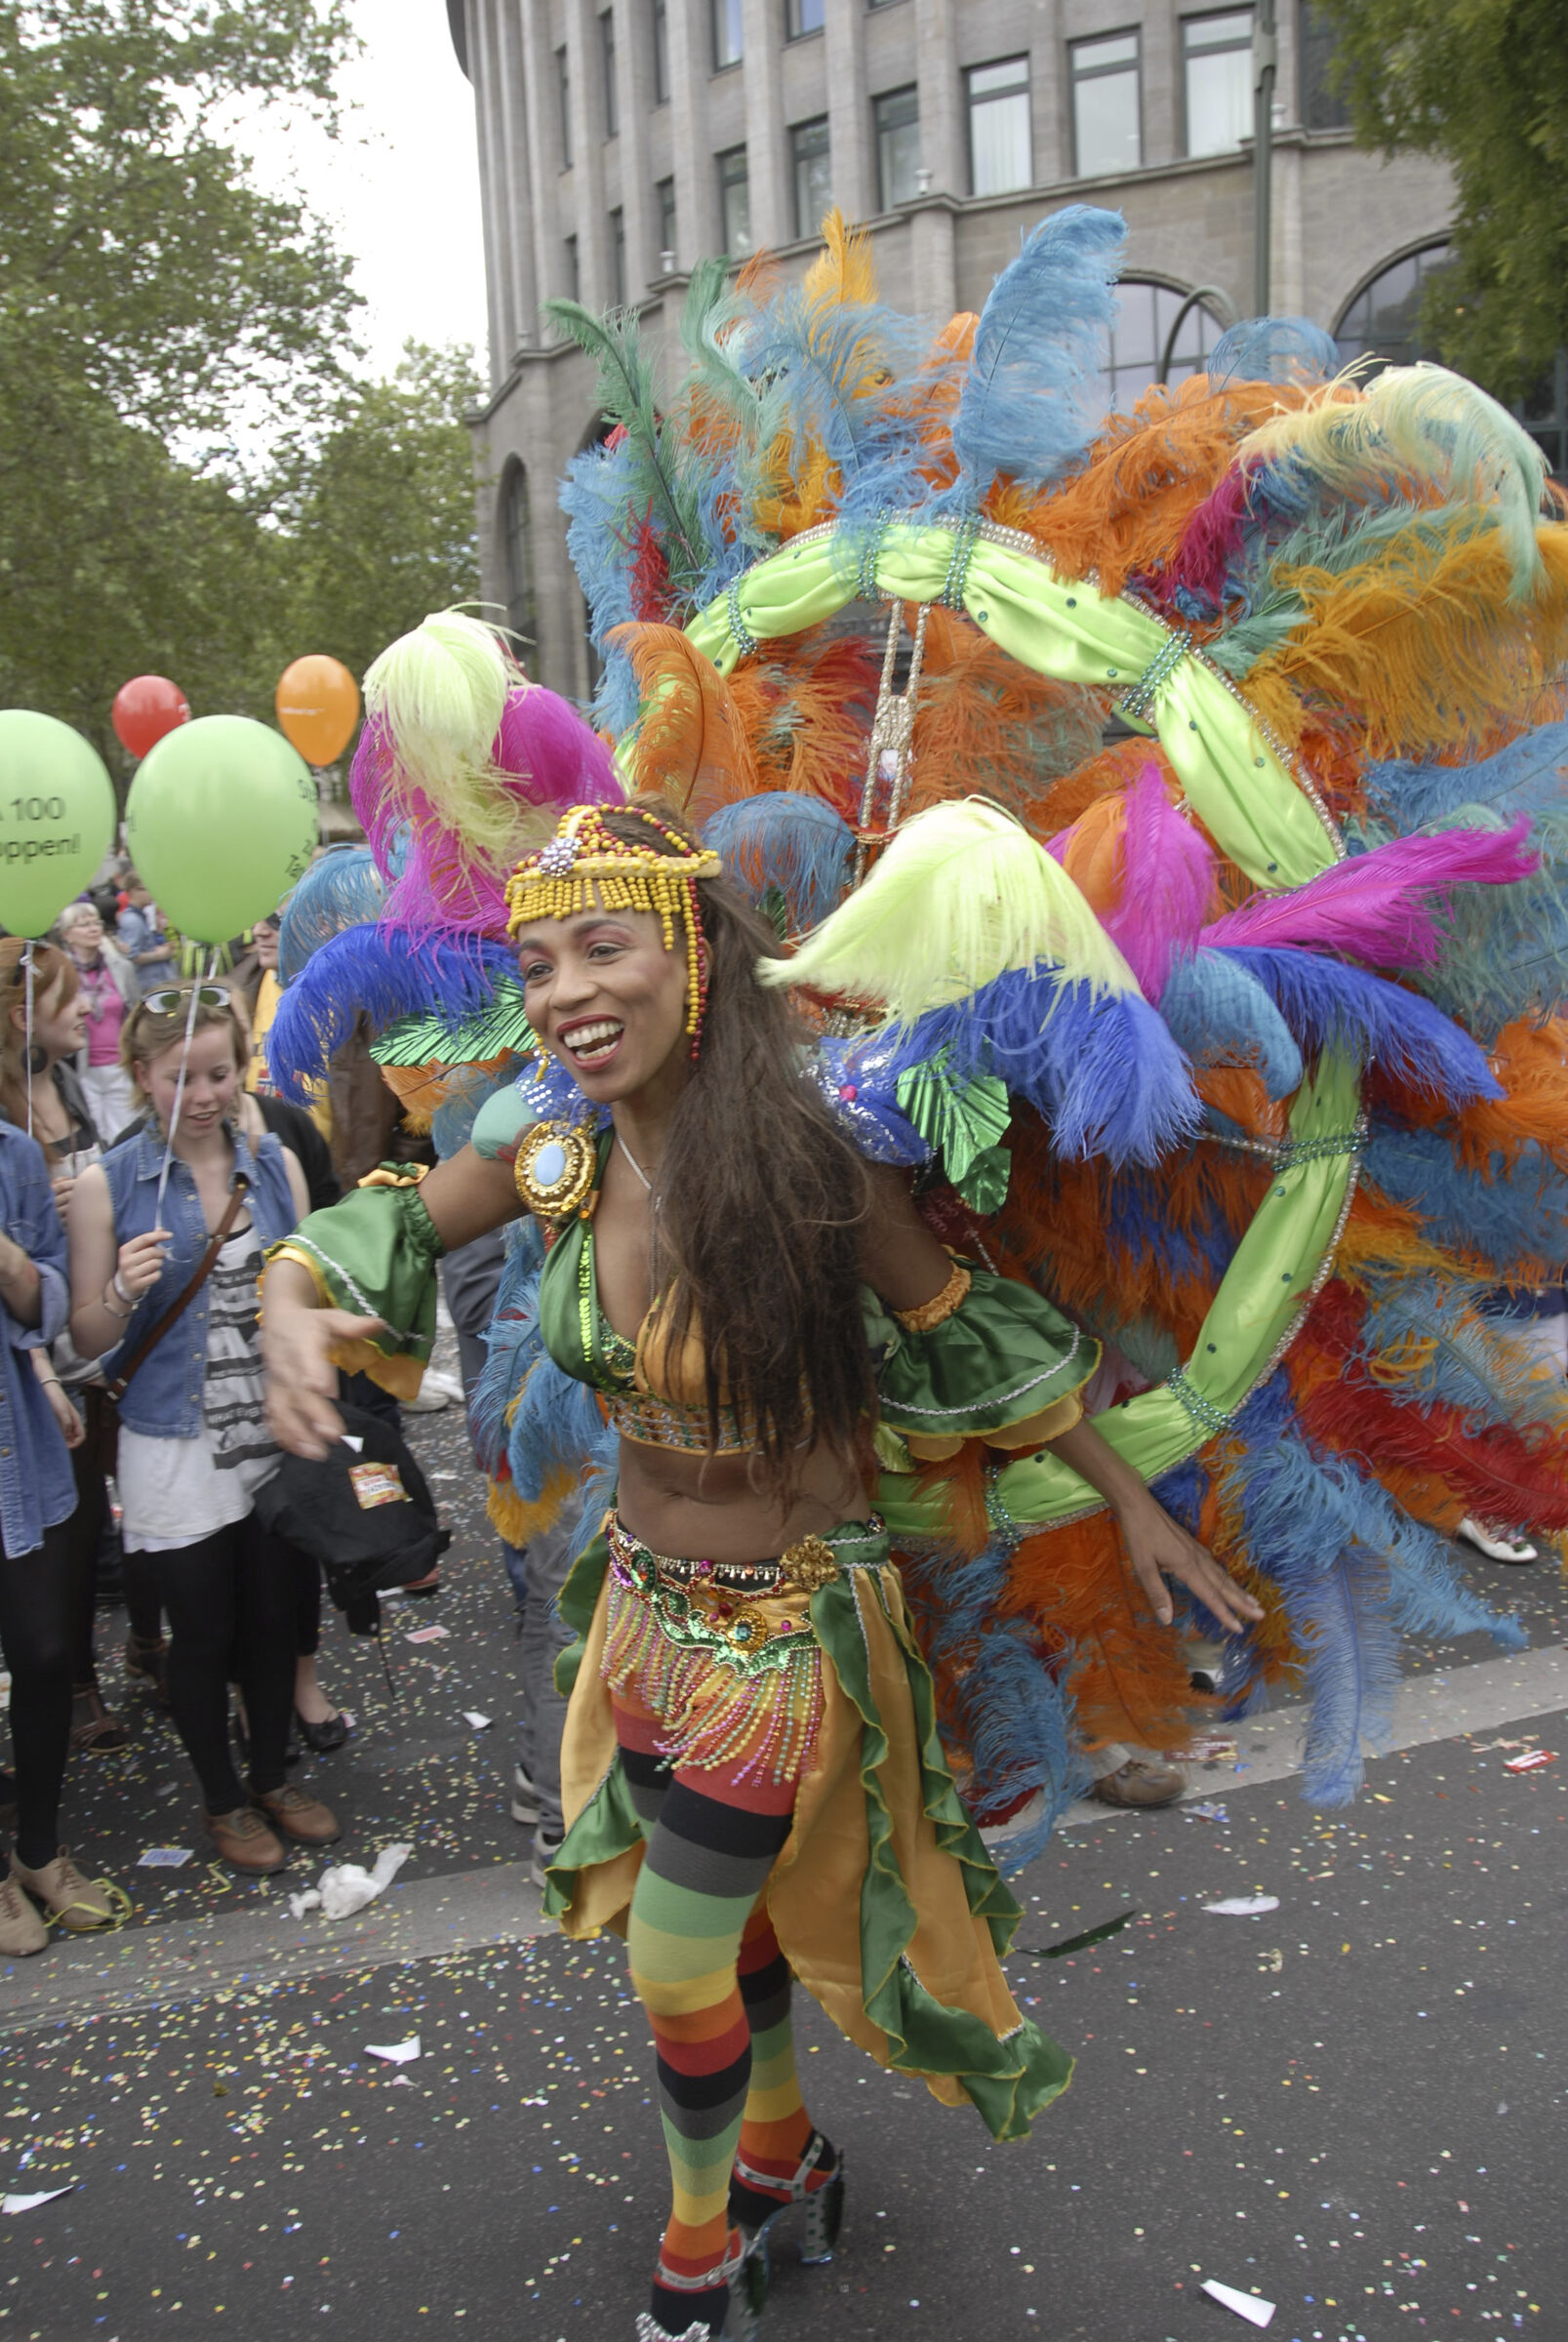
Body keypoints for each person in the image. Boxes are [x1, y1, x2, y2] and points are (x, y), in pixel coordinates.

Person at [261, 804, 1263, 2341]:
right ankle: (783, 2157)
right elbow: (376, 1228)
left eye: (603, 946)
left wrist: (1132, 1504)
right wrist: (286, 1294)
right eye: (536, 962)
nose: (564, 991)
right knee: (720, 1933)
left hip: (786, 1627)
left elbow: (958, 1324)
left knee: (670, 1960)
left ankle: (695, 2255)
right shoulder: (554, 1149)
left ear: (692, 955)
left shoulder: (807, 1162)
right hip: (644, 1613)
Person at [66, 985, 340, 1874]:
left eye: (220, 1073)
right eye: (183, 1078)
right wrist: (119, 1294)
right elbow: (85, 1343)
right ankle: (223, 1800)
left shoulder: (275, 1163)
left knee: (273, 1619)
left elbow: (316, 1282)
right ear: (142, 1076)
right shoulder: (111, 1183)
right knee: (206, 1632)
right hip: (175, 1443)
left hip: (271, 1429)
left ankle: (269, 1776)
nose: (208, 1094)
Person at [0, 938, 136, 1756]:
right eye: (69, 996)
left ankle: (95, 1663)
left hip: (89, 1338)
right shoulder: (10, 1123)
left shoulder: (70, 1086)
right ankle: (71, 1684)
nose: (90, 1006)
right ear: (23, 1015)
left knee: (86, 1525)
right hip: (38, 1369)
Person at [0, 1108, 124, 1956]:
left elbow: (45, 1300)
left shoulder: (11, 1152)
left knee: (44, 1653)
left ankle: (39, 1851)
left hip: (18, 1448)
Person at [56, 902, 139, 1145]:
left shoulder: (121, 967)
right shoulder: (62, 973)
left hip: (119, 1064)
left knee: (126, 1135)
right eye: (84, 925)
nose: (93, 929)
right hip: (82, 1068)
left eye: (95, 923)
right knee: (94, 1137)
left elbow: (136, 1010)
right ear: (67, 935)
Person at [115, 879, 176, 998]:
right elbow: (133, 955)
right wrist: (161, 954)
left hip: (157, 981)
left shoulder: (140, 917)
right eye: (145, 888)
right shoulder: (133, 920)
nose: (151, 893)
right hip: (151, 984)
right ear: (133, 891)